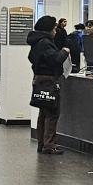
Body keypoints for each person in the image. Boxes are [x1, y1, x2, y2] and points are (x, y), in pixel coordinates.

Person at [28, 14, 68, 154]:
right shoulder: (45, 42)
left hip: (39, 78)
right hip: (49, 80)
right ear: (48, 29)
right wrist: (64, 52)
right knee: (52, 112)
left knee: (43, 113)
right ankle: (49, 144)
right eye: (54, 29)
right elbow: (55, 59)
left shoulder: (36, 41)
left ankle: (42, 143)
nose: (55, 31)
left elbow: (31, 57)